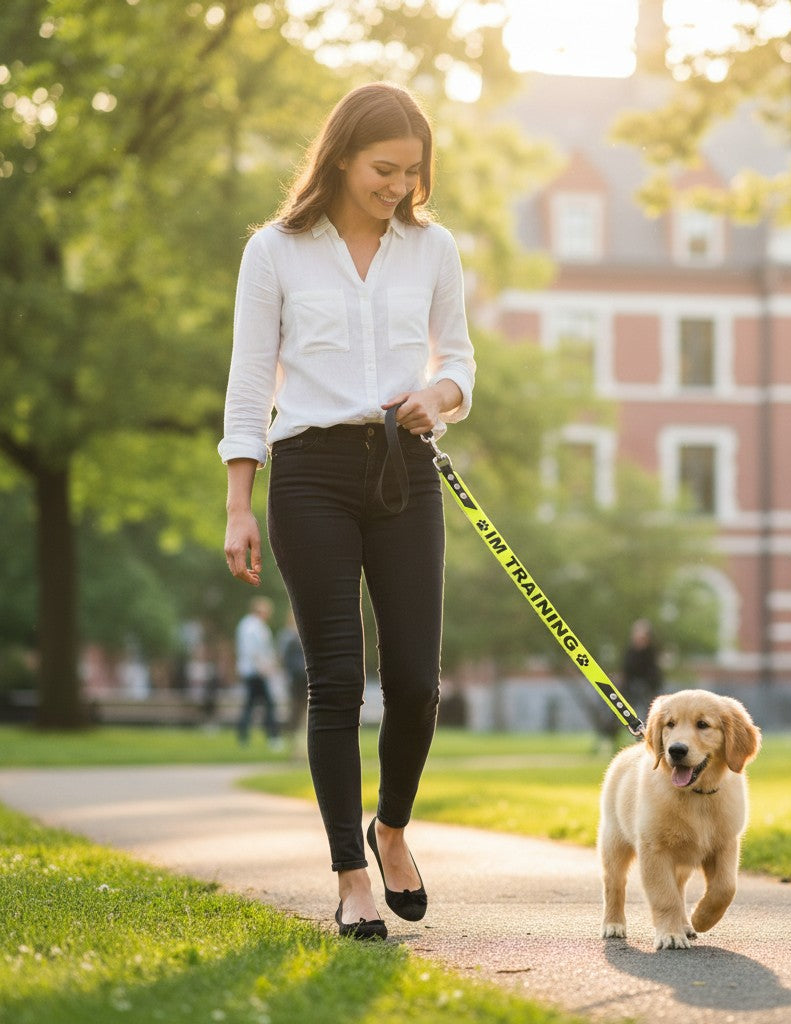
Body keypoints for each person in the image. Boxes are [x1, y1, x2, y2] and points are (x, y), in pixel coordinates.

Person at [219, 82, 475, 942]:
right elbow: (249, 382)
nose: (399, 186)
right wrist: (238, 504)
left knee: (416, 681)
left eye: (412, 171)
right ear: (339, 158)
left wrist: (439, 394)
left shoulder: (433, 248)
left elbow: (460, 361)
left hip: (405, 469)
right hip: (309, 474)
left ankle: (391, 828)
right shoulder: (275, 252)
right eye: (383, 169)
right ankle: (350, 875)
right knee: (335, 681)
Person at [234, 596, 281, 747]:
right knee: (268, 705)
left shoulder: (254, 626)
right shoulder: (251, 627)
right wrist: (264, 667)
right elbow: (252, 651)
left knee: (252, 705)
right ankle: (272, 736)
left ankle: (244, 736)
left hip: (256, 671)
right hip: (256, 672)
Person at [621, 618, 663, 719]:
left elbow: (653, 674)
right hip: (630, 686)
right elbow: (626, 669)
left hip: (647, 687)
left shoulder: (651, 652)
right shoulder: (630, 652)